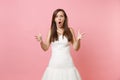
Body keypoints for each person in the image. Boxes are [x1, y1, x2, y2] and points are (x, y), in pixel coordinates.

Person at [35, 8, 84, 80]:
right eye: (57, 16)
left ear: (65, 18)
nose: (59, 18)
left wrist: (79, 39)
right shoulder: (51, 31)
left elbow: (76, 48)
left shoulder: (70, 30)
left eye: (61, 16)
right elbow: (45, 48)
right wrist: (41, 42)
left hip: (68, 64)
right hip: (54, 64)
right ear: (54, 19)